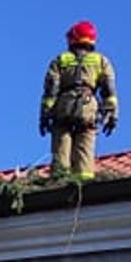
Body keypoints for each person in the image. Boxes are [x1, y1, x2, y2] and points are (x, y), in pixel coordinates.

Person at [39, 20, 118, 179]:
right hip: (88, 107)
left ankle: (59, 180)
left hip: (64, 106)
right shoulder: (101, 61)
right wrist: (112, 114)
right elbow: (108, 89)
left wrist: (45, 115)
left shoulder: (61, 60)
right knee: (85, 146)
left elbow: (51, 90)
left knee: (61, 145)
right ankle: (83, 185)